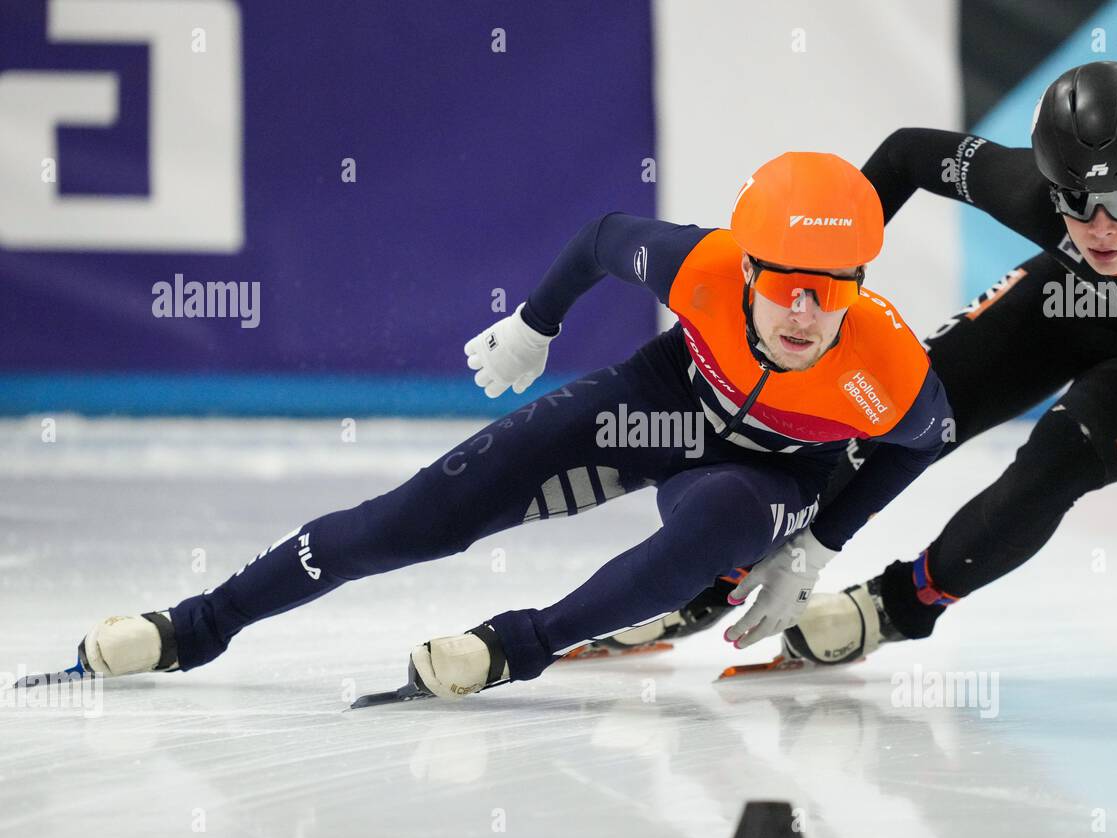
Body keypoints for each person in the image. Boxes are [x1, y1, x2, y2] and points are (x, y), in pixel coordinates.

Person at [47, 152, 950, 701]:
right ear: (743, 266)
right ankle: (195, 626)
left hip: (774, 477)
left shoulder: (890, 370)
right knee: (411, 519)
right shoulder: (699, 266)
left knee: (718, 520)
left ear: (861, 288)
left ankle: (515, 646)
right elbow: (600, 238)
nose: (802, 311)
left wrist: (821, 539)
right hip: (663, 402)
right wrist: (534, 325)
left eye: (829, 290)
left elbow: (926, 443)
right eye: (784, 281)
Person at [631, 61, 1117, 699]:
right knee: (905, 409)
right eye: (1075, 198)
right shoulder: (1035, 194)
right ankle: (717, 571)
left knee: (1060, 459)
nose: (1099, 225)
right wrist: (828, 287)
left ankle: (898, 606)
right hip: (1068, 299)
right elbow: (904, 156)